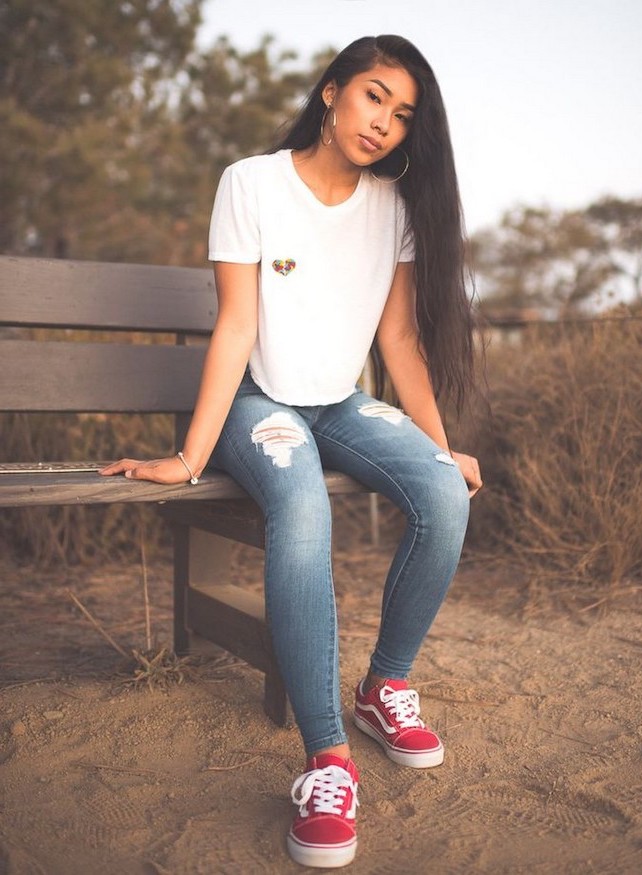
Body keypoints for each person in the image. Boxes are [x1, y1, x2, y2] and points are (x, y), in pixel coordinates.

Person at [101, 34, 482, 869]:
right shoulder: (252, 183)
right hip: (256, 402)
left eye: (403, 113)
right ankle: (327, 760)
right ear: (332, 92)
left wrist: (441, 448)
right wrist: (192, 455)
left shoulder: (393, 206)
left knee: (445, 493)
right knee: (302, 504)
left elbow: (401, 340)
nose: (384, 122)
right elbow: (237, 324)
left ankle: (384, 686)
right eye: (374, 96)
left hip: (340, 401)